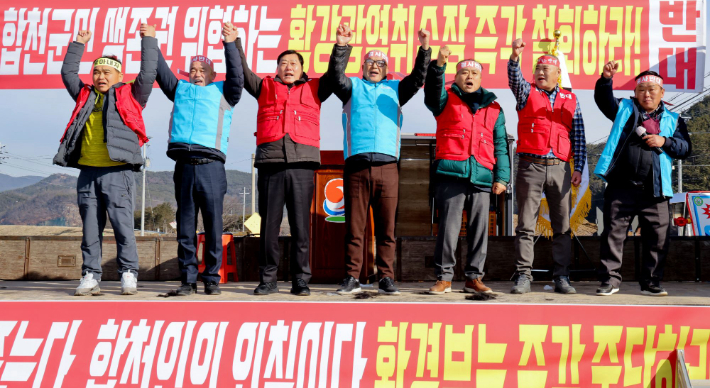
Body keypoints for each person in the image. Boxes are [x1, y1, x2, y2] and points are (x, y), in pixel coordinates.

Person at [54, 25, 158, 296]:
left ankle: (128, 274)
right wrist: (78, 43)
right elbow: (68, 73)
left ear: (119, 75)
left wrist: (148, 39)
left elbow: (148, 72)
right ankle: (90, 275)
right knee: (90, 230)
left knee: (123, 228)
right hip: (88, 173)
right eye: (97, 71)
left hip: (118, 173)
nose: (101, 76)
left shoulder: (132, 96)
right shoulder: (84, 96)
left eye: (107, 72)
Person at [331, 24, 432, 295]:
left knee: (387, 229)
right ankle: (351, 276)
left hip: (388, 167)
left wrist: (424, 49)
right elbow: (335, 76)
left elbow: (418, 78)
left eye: (380, 63)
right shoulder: (352, 88)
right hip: (356, 166)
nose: (374, 66)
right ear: (362, 66)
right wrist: (342, 46)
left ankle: (386, 277)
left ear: (386, 70)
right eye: (369, 62)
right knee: (354, 228)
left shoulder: (396, 89)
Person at [236, 30, 333, 297]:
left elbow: (335, 74)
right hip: (271, 163)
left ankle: (300, 280)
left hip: (302, 164)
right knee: (269, 227)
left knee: (301, 227)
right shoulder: (264, 87)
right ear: (277, 68)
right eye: (283, 63)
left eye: (294, 64)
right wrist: (233, 43)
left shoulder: (315, 88)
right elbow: (243, 71)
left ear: (302, 69)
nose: (288, 67)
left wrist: (341, 46)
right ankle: (268, 279)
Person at [154, 22, 244, 296]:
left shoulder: (224, 93)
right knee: (185, 227)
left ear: (213, 75)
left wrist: (230, 43)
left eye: (202, 70)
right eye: (192, 69)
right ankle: (188, 280)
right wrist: (150, 41)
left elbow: (237, 76)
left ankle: (212, 280)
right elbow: (160, 71)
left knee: (214, 226)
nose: (196, 74)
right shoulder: (179, 90)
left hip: (211, 167)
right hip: (184, 167)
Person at [593, 62, 691, 296]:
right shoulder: (624, 110)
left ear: (661, 93)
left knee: (658, 238)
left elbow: (685, 148)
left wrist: (664, 141)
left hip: (656, 190)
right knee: (613, 235)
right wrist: (606, 80)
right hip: (621, 186)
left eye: (652, 89)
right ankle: (610, 281)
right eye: (642, 90)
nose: (647, 94)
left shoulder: (674, 119)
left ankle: (651, 283)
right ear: (635, 93)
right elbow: (603, 100)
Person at [423, 48, 510, 295]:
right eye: (463, 72)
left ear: (481, 79)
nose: (469, 76)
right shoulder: (445, 99)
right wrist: (439, 66)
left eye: (474, 73)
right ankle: (444, 278)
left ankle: (474, 278)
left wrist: (502, 177)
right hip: (451, 174)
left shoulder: (494, 109)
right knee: (448, 230)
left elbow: (501, 145)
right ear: (456, 77)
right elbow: (431, 92)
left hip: (482, 175)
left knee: (480, 231)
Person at [507, 38, 586, 295]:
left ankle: (562, 276)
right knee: (525, 225)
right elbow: (514, 80)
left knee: (562, 226)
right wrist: (515, 57)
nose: (540, 73)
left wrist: (579, 168)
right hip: (530, 165)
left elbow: (579, 136)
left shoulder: (571, 98)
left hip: (561, 167)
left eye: (546, 70)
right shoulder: (526, 92)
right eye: (538, 69)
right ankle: (523, 275)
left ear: (558, 74)